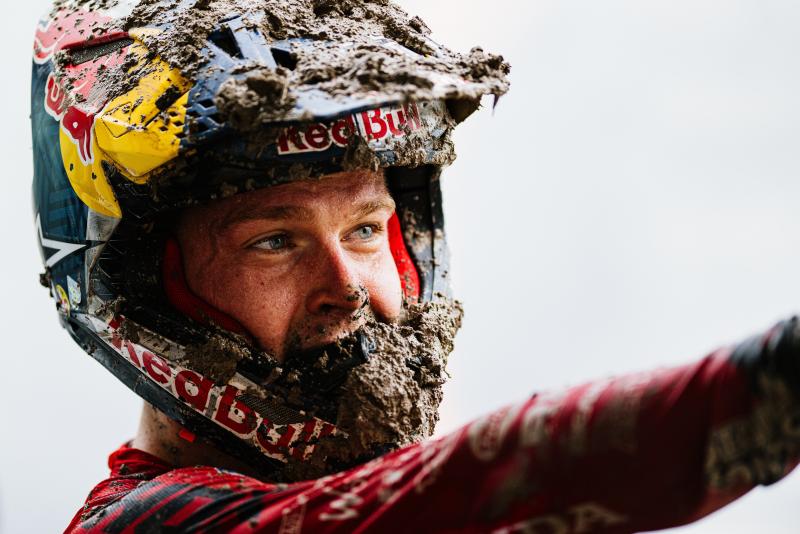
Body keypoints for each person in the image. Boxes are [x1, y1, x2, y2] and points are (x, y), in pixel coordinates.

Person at [31, 1, 799, 532]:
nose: (347, 288)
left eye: (366, 230)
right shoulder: (146, 523)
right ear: (148, 287)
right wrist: (771, 386)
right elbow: (488, 481)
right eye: (276, 242)